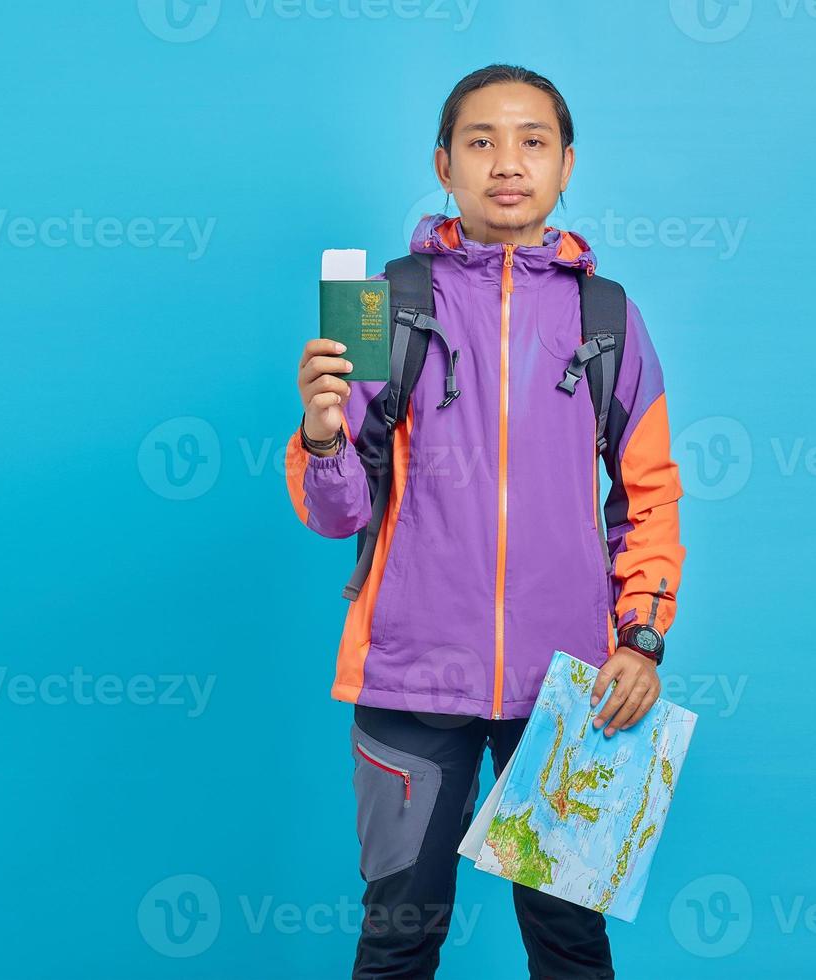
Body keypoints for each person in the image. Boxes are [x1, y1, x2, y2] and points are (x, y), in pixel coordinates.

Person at [286, 64, 686, 980]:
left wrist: (642, 637)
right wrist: (318, 436)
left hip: (570, 688)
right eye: (482, 141)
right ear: (445, 163)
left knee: (570, 944)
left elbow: (648, 496)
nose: (508, 162)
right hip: (409, 677)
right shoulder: (383, 301)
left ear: (566, 164)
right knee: (398, 937)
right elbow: (332, 511)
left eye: (532, 141)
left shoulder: (608, 317)